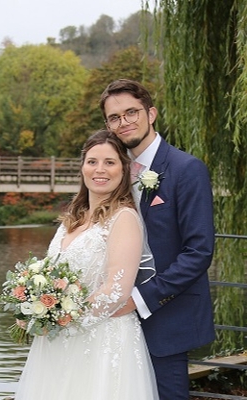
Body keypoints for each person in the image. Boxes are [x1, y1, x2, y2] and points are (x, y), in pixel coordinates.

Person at [14, 130, 158, 400]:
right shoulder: (72, 219)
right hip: (58, 342)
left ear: (124, 169)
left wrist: (63, 318)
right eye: (92, 161)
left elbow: (117, 288)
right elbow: (50, 274)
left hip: (102, 342)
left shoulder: (123, 218)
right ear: (82, 167)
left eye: (110, 162)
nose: (99, 169)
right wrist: (33, 311)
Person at [99, 79, 215, 400]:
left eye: (131, 113)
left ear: (151, 114)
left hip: (166, 317)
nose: (124, 122)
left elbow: (199, 251)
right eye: (114, 118)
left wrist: (139, 299)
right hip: (113, 324)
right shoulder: (112, 172)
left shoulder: (186, 169)